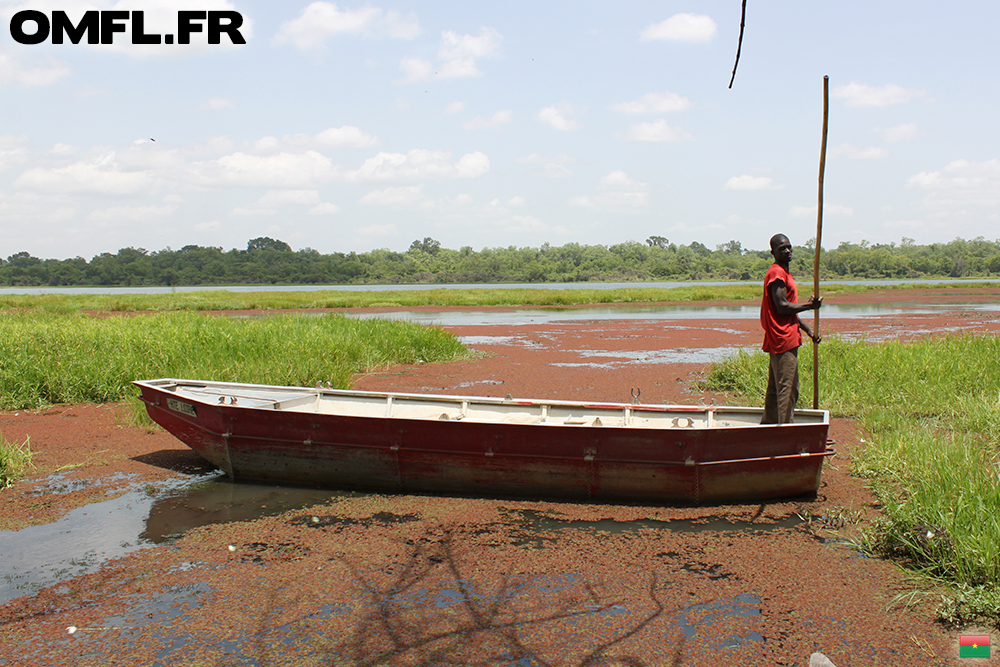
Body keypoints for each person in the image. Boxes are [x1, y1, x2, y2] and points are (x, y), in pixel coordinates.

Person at [760, 234, 822, 424]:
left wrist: (808, 330)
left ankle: (768, 427)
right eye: (782, 249)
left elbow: (790, 313)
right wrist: (810, 306)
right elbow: (782, 306)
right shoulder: (776, 273)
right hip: (783, 339)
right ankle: (784, 430)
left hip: (785, 335)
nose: (787, 251)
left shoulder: (784, 273)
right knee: (788, 388)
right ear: (773, 253)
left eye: (789, 247)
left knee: (775, 390)